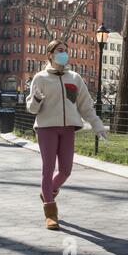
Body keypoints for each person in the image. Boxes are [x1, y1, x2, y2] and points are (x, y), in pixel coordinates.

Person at [26, 40, 107, 231]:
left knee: (66, 170)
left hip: (68, 128)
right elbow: (31, 108)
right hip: (46, 128)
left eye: (65, 51)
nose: (64, 54)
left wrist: (98, 126)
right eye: (59, 51)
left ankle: (48, 192)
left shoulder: (75, 78)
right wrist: (37, 99)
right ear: (50, 55)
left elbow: (86, 106)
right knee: (48, 169)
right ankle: (51, 214)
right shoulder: (40, 78)